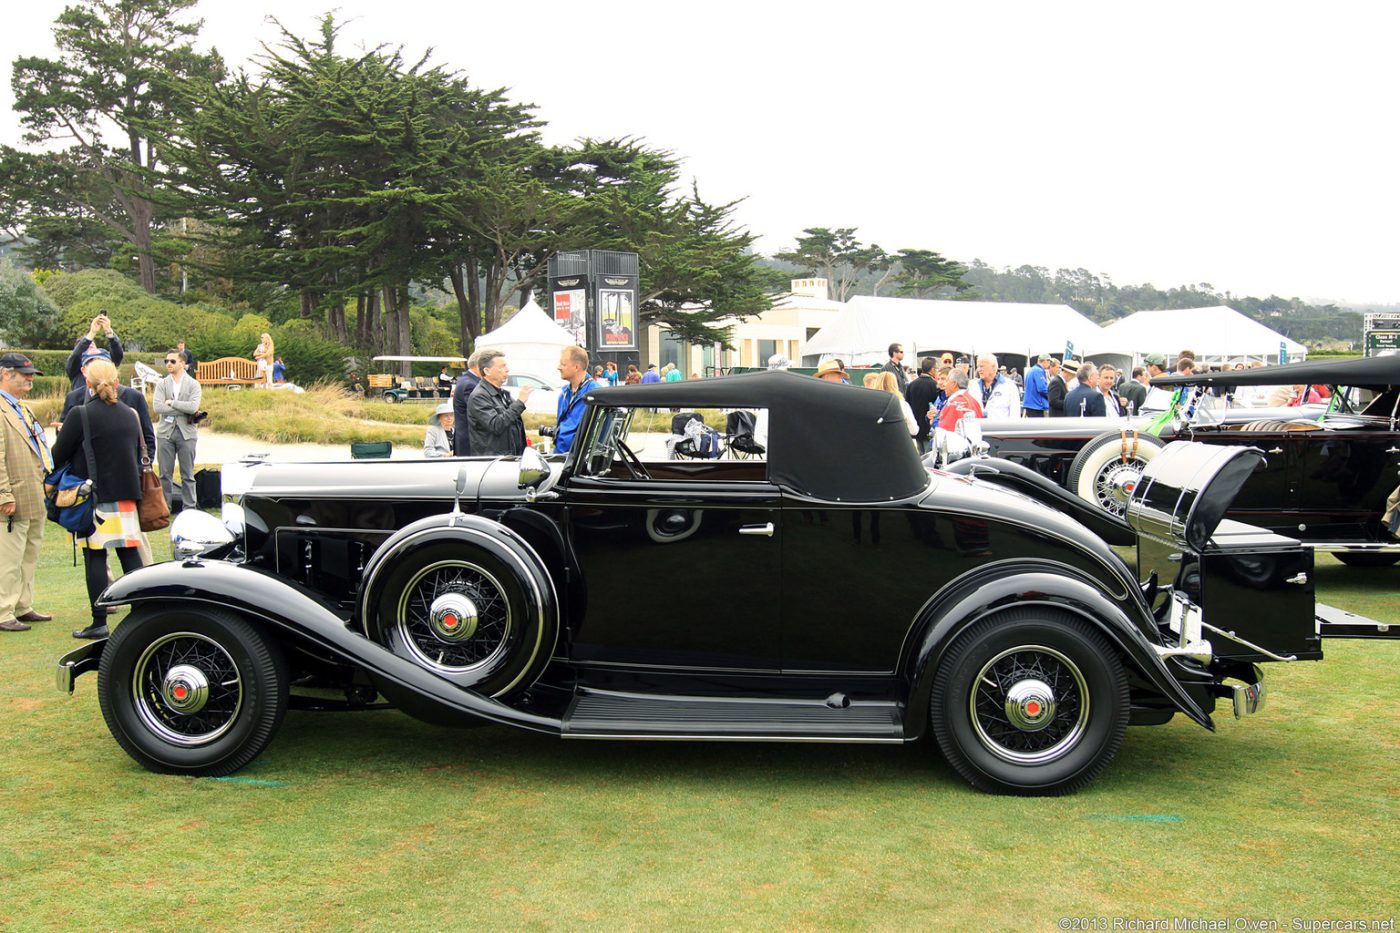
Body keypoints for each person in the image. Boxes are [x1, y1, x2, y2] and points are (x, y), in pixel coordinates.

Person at [50, 358, 145, 640]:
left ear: (87, 384)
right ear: (116, 382)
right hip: (126, 494)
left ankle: (99, 620)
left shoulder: (81, 414)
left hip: (95, 494)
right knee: (130, 554)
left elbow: (57, 456)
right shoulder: (129, 413)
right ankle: (142, 613)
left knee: (95, 554)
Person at [0, 353, 53, 632]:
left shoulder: (22, 407)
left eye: (31, 373)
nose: (30, 378)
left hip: (34, 491)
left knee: (29, 553)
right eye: (25, 374)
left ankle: (22, 605)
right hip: (13, 496)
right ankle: (3, 610)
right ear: (6, 374)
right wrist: (3, 494)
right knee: (9, 556)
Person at [154, 348, 202, 511]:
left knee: (187, 474)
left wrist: (172, 403)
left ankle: (189, 508)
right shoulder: (162, 383)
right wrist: (184, 409)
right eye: (166, 361)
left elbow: (194, 406)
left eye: (172, 361)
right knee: (164, 474)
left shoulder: (193, 384)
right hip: (165, 433)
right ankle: (164, 507)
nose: (168, 364)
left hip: (186, 433)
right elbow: (158, 407)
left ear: (182, 363)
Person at [467, 350, 530, 456]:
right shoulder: (479, 396)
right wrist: (520, 402)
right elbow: (496, 425)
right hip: (493, 462)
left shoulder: (502, 394)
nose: (507, 370)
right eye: (502, 366)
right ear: (487, 371)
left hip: (509, 457)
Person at [554, 346, 597, 455]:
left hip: (580, 460)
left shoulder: (595, 394)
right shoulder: (564, 394)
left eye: (563, 364)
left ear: (577, 367)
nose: (559, 367)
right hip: (561, 456)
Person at [66, 314, 125, 390]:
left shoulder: (108, 359)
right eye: (88, 346)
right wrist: (92, 333)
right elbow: (75, 355)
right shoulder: (76, 368)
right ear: (83, 370)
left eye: (92, 344)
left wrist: (109, 331)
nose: (91, 345)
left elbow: (118, 354)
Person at [451, 350, 486, 456]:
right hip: (470, 443)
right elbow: (481, 415)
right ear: (477, 366)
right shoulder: (470, 385)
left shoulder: (468, 380)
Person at [905, 356, 941, 452]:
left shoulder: (911, 385)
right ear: (932, 370)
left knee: (920, 454)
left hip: (915, 426)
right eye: (937, 369)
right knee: (929, 455)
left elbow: (907, 404)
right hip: (928, 428)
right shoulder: (935, 385)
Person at [873, 371, 918, 438]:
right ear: (895, 384)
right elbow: (914, 431)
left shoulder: (870, 404)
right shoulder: (902, 405)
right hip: (896, 442)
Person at [975, 354, 1021, 419]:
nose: (979, 369)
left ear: (993, 367)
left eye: (982, 366)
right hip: (978, 428)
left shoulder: (1009, 386)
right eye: (978, 366)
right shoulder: (973, 386)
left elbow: (1015, 416)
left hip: (1000, 428)